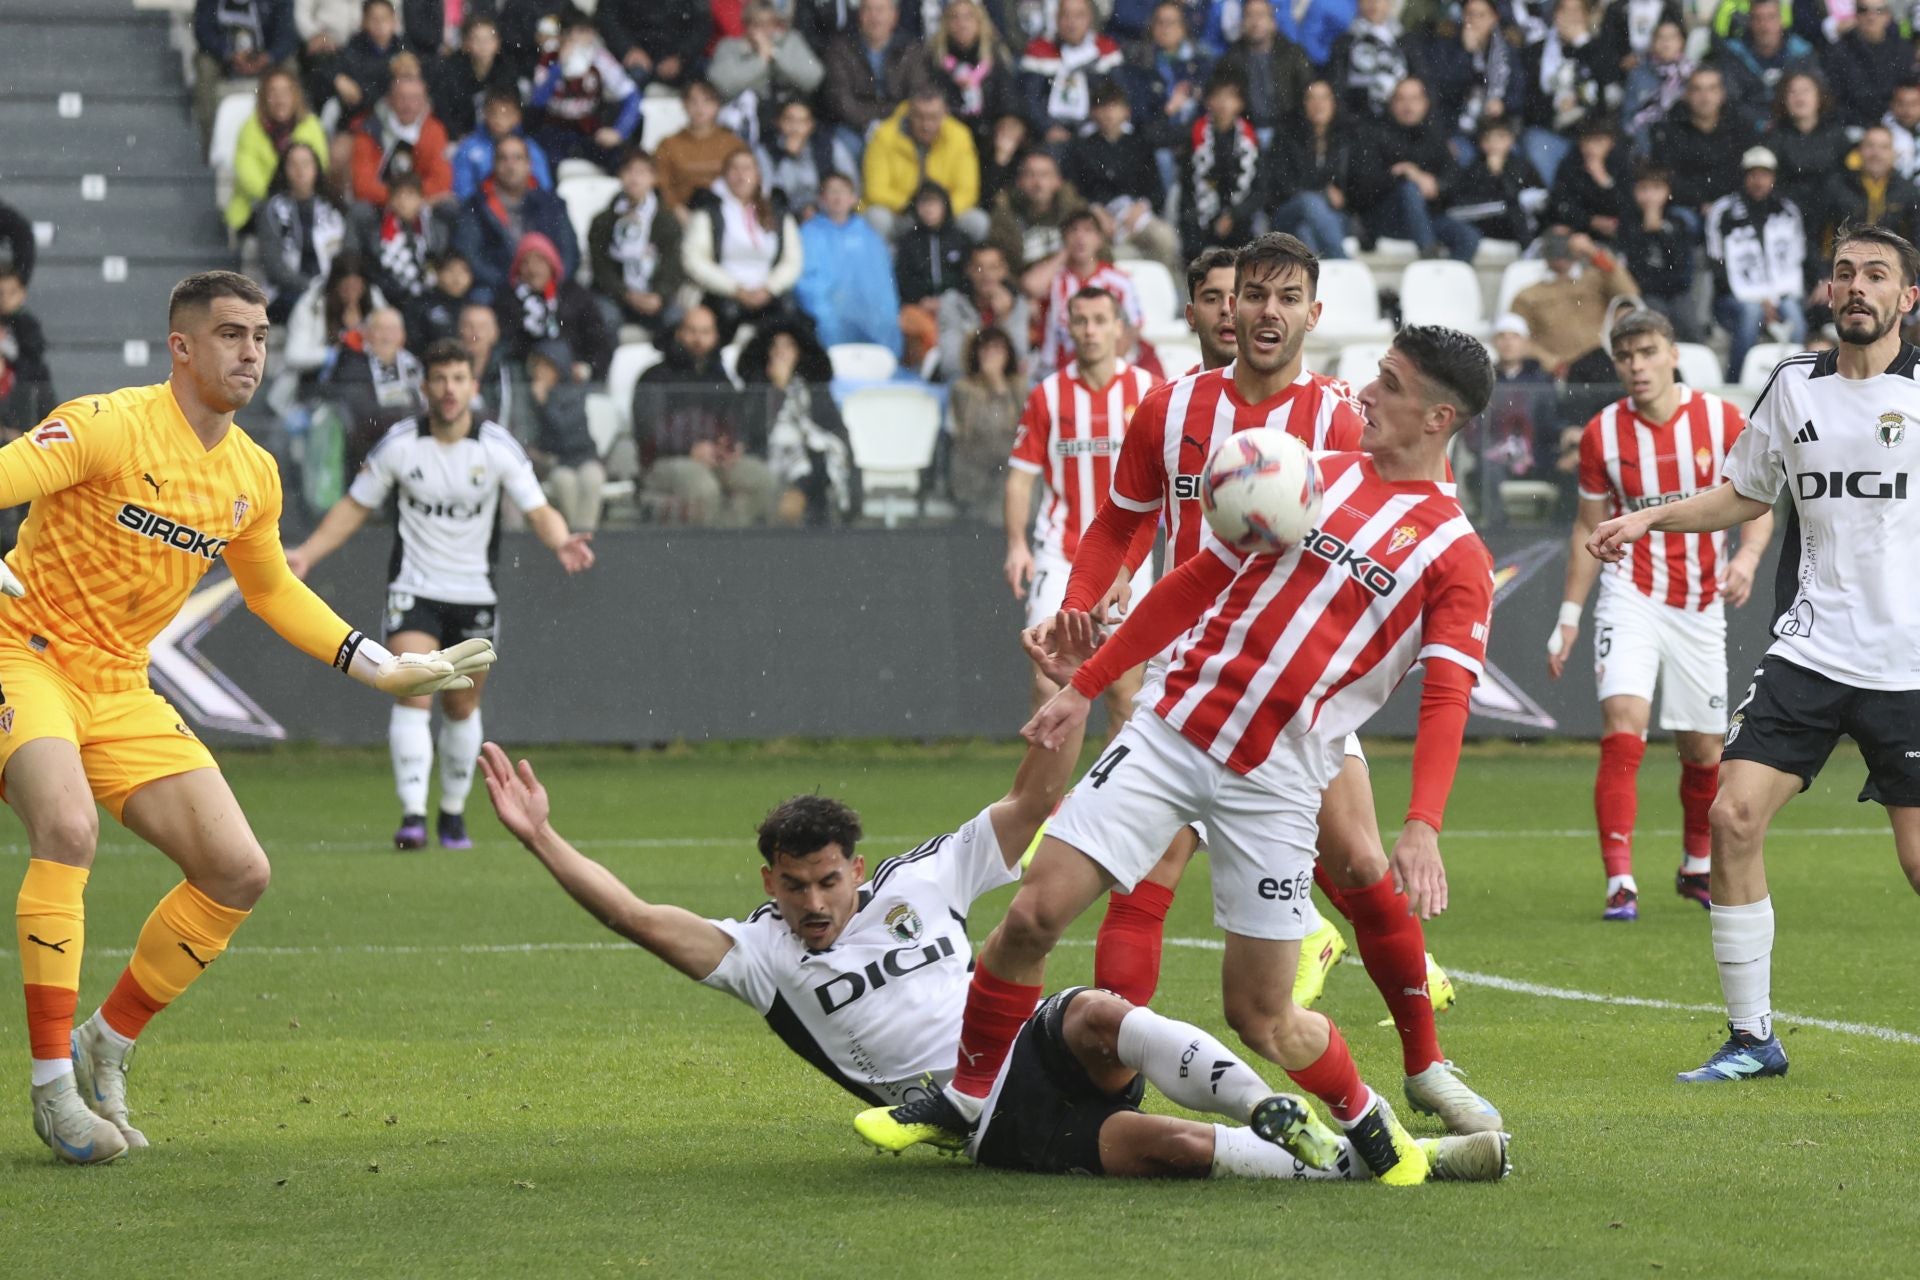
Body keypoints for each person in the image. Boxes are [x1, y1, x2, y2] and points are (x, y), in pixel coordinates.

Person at [864, 318, 1503, 1178]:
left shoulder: (1457, 556)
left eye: (1388, 384)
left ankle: (1371, 1120)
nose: (1364, 394)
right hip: (1171, 731)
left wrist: (1422, 822)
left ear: (1438, 419)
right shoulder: (1306, 480)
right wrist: (1086, 686)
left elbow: (1449, 694)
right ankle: (968, 1099)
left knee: (1264, 1017)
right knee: (1031, 916)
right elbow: (1198, 578)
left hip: (1279, 783)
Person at [478, 663, 1510, 1183]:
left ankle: (1274, 1104)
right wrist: (541, 839)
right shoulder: (759, 955)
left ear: (852, 866)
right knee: (1159, 1147)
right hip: (991, 1124)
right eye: (795, 887)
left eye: (828, 881)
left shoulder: (917, 880)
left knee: (1099, 1009)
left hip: (1021, 1041)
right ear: (771, 882)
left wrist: (1062, 690)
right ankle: (1347, 1158)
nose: (816, 903)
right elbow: (634, 915)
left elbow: (1027, 806)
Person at [6, 271, 492, 1164]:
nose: (252, 353)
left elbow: (270, 590)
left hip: (119, 683)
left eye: (261, 336)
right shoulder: (109, 423)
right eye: (230, 335)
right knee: (67, 828)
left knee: (236, 871)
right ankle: (51, 1091)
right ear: (180, 348)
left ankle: (105, 1043)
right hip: (23, 655)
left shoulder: (251, 474)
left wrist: (382, 667)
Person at [1021, 236, 1492, 1133]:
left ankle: (1426, 1062)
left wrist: (1423, 821)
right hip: (1190, 669)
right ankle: (1118, 1079)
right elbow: (1120, 525)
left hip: (1307, 689)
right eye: (1252, 295)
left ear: (1315, 314)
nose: (1267, 312)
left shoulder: (1348, 427)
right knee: (1148, 871)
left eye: (1289, 298)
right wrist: (1082, 619)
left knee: (1356, 862)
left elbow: (1417, 517)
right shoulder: (1172, 409)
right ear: (1222, 307)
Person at [1586, 223, 1920, 1083]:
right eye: (1844, 272)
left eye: (1876, 275)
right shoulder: (1792, 386)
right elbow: (1744, 492)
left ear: (1906, 300)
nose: (1856, 287)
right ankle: (1752, 1039)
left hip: (1910, 668)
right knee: (1732, 819)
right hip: (1810, 650)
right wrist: (1652, 515)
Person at [287, 338, 592, 852]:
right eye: (440, 380)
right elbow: (354, 507)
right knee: (412, 691)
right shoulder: (401, 444)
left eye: (458, 379)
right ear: (424, 386)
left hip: (474, 591)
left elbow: (539, 509)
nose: (449, 390)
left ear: (473, 387)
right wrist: (307, 555)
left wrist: (561, 540)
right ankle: (411, 816)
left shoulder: (496, 446)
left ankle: (451, 815)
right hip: (415, 588)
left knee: (461, 704)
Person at [1550, 309, 1773, 920]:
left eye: (1647, 352)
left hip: (1701, 602)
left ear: (1673, 353)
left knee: (1703, 750)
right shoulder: (1602, 432)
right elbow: (1588, 526)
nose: (1636, 366)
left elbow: (1758, 504)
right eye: (1625, 357)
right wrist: (1569, 613)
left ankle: (1695, 866)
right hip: (1630, 592)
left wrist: (1748, 560)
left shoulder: (1721, 420)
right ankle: (1619, 881)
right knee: (1625, 722)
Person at [1006, 286, 1160, 722]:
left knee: (1125, 692)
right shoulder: (1048, 396)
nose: (1090, 330)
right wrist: (1017, 544)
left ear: (1119, 327)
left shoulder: (1150, 391)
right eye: (1081, 321)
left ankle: (1112, 794)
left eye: (1099, 320)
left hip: (1130, 560)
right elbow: (1020, 479)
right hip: (1061, 556)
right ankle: (1047, 795)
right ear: (1068, 327)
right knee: (1047, 681)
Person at [633, 306, 781, 526]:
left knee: (763, 481)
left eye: (705, 332)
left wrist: (732, 444)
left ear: (715, 336)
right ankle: (705, 552)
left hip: (715, 460)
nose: (698, 339)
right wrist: (689, 449)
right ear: (679, 333)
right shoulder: (655, 376)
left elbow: (736, 420)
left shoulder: (719, 378)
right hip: (665, 461)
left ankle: (733, 546)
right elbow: (648, 431)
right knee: (703, 488)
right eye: (692, 331)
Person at [738, 324, 857, 525]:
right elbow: (755, 431)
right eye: (775, 346)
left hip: (812, 465)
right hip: (766, 460)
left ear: (799, 352)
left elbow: (834, 431)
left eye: (788, 346)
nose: (780, 352)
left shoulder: (814, 389)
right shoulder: (756, 389)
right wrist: (778, 388)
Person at [1707, 147, 1807, 383]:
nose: (1758, 181)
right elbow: (1717, 264)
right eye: (1753, 174)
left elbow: (1795, 261)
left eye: (1765, 174)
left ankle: (1797, 382)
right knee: (1751, 314)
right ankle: (1736, 382)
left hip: (1781, 293)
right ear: (1743, 177)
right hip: (1734, 295)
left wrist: (1771, 297)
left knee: (1796, 318)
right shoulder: (1723, 212)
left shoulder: (1787, 211)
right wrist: (1758, 298)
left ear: (1773, 177)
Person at [682, 149, 804, 342]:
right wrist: (735, 289)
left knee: (789, 319)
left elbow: (793, 260)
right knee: (725, 316)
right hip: (722, 292)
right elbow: (694, 259)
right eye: (734, 169)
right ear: (724, 175)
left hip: (768, 293)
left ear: (758, 175)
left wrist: (769, 288)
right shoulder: (709, 212)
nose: (741, 175)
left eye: (747, 168)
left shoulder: (778, 213)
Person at [1360, 77, 1480, 262]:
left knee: (1468, 236)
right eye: (1401, 99)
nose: (1408, 106)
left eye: (1414, 99)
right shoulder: (1375, 134)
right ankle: (1430, 258)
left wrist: (1437, 186)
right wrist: (1404, 177)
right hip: (1387, 221)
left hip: (1429, 218)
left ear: (1425, 103)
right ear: (1392, 104)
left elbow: (1455, 181)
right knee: (1409, 190)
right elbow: (1363, 188)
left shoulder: (1436, 136)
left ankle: (1446, 283)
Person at [1067, 81, 1182, 274]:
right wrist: (1096, 212)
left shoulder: (1138, 143)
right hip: (1097, 219)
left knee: (1165, 238)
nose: (1109, 113)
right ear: (1093, 112)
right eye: (1102, 107)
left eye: (1115, 107)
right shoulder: (1081, 147)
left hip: (1134, 215)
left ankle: (1168, 292)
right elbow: (1077, 190)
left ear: (1126, 111)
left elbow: (1155, 189)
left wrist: (1141, 207)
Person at [451, 134, 579, 306]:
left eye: (517, 158)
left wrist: (548, 279)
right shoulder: (476, 206)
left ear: (529, 164)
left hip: (550, 285)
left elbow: (569, 251)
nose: (510, 165)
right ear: (494, 165)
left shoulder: (552, 204)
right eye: (503, 158)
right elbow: (470, 255)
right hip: (498, 288)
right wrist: (510, 283)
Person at [795, 174, 903, 353]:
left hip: (871, 324)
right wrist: (825, 313)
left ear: (853, 198)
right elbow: (808, 282)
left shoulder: (869, 235)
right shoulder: (809, 233)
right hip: (827, 325)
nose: (838, 197)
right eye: (832, 192)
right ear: (822, 198)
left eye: (843, 192)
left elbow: (883, 283)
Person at [862, 87, 986, 241]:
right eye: (920, 117)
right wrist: (916, 208)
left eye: (933, 117)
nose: (926, 125)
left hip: (945, 214)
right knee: (877, 218)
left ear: (945, 113)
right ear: (909, 113)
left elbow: (967, 191)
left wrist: (940, 210)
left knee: (977, 222)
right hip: (901, 213)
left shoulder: (960, 136)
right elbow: (875, 191)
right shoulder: (884, 136)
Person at [1511, 228, 1640, 376]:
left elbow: (1629, 293)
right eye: (1554, 246)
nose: (1560, 252)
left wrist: (1594, 253)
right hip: (1560, 370)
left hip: (1601, 362)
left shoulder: (1595, 278)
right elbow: (1518, 337)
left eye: (1565, 245)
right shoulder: (1528, 295)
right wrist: (1552, 363)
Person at [588, 150, 685, 342]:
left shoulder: (666, 221)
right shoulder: (603, 221)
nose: (635, 178)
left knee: (676, 318)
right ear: (620, 176)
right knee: (606, 317)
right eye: (629, 171)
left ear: (654, 178)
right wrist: (626, 294)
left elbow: (672, 266)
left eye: (642, 172)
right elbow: (601, 268)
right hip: (615, 296)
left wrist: (659, 295)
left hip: (653, 295)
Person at [528, 12, 644, 170]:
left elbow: (632, 96)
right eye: (576, 33)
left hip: (588, 129)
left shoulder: (599, 58)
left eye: (587, 33)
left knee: (619, 159)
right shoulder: (549, 58)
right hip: (554, 129)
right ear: (563, 35)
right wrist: (559, 67)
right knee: (540, 161)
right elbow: (538, 101)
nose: (581, 40)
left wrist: (619, 131)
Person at [494, 232, 615, 379]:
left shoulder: (574, 295)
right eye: (525, 262)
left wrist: (588, 368)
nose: (532, 269)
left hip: (573, 377)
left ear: (551, 263)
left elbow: (598, 340)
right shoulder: (509, 300)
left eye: (539, 261)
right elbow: (510, 344)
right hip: (527, 374)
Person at [254, 142, 349, 325]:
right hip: (287, 292)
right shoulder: (271, 210)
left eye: (306, 164)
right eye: (293, 164)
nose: (300, 171)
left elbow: (345, 255)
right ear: (284, 170)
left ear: (316, 169)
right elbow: (274, 266)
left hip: (331, 289)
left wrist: (329, 287)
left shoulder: (334, 208)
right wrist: (310, 287)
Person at [226, 68, 331, 232]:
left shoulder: (312, 126)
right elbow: (247, 175)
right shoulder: (250, 129)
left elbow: (319, 167)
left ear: (295, 96)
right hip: (257, 207)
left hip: (303, 203)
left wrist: (296, 197)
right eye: (273, 93)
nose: (280, 100)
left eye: (285, 93)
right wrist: (280, 201)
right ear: (263, 98)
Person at [1038, 210, 1144, 372]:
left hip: (1109, 368)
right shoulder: (1055, 279)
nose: (1080, 237)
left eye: (1088, 230)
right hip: (1056, 369)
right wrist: (1064, 253)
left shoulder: (1120, 281)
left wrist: (1103, 369)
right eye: (1073, 231)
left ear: (1100, 239)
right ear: (1064, 238)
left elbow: (1132, 328)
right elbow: (1031, 287)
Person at [520, 340, 608, 533]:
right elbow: (528, 436)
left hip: (583, 457)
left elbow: (567, 431)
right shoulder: (528, 396)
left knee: (593, 479)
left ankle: (584, 536)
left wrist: (545, 405)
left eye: (547, 366)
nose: (540, 372)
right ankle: (576, 536)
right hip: (556, 463)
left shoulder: (574, 392)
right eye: (538, 366)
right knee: (565, 483)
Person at [1516, 0, 1605, 187]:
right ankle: (1559, 202)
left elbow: (1606, 91)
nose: (1569, 16)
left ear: (1586, 16)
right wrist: (1556, 105)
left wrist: (1581, 43)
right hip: (1551, 132)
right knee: (1536, 142)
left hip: (1589, 133)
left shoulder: (1599, 48)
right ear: (1554, 14)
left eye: (1576, 11)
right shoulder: (1536, 51)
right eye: (1564, 10)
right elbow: (1527, 103)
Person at [1650, 68, 1752, 230]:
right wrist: (1700, 204)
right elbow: (1668, 176)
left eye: (1712, 89)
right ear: (1686, 95)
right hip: (1688, 208)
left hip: (1733, 203)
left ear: (1722, 94)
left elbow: (1747, 170)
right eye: (1697, 89)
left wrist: (1722, 205)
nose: (1705, 97)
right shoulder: (1669, 130)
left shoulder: (1740, 126)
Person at [1268, 79, 1357, 260]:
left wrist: (1344, 197)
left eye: (1324, 98)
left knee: (1305, 230)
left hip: (1334, 216)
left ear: (1333, 103)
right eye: (1312, 98)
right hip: (1289, 211)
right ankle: (1344, 263)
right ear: (1303, 104)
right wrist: (1323, 192)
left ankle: (1317, 282)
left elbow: (1358, 185)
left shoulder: (1346, 139)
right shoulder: (1287, 137)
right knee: (1309, 201)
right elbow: (1282, 185)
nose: (1319, 105)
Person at [1179, 71, 1264, 261]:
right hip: (1201, 217)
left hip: (1239, 218)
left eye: (1231, 97)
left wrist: (1233, 215)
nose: (1224, 103)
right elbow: (1187, 186)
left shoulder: (1251, 140)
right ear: (1209, 101)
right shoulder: (1193, 136)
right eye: (1219, 96)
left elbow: (1260, 190)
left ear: (1241, 103)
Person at [821, 0, 933, 143]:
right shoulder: (840, 48)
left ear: (894, 16)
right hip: (853, 128)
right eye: (868, 10)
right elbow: (841, 101)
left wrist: (888, 122)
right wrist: (872, 122)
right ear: (859, 15)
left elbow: (917, 94)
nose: (874, 17)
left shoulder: (912, 50)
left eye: (880, 10)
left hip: (901, 125)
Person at [1020, 0, 1125, 147]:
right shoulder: (1039, 50)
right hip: (1050, 135)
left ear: (1090, 18)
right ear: (1056, 18)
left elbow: (1119, 96)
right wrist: (1047, 128)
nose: (1072, 22)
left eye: (1079, 15)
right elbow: (1029, 99)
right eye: (1065, 15)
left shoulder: (1106, 50)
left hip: (1096, 132)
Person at [987, 150, 1090, 300]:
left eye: (1044, 175)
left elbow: (1100, 254)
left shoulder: (1076, 211)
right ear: (1019, 181)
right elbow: (1002, 267)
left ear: (1058, 181)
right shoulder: (1005, 215)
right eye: (1030, 175)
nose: (1038, 183)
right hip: (1024, 295)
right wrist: (1020, 296)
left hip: (1075, 290)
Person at [192, 0, 298, 144]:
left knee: (289, 65)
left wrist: (267, 57)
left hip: (265, 56)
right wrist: (229, 54)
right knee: (204, 64)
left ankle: (293, 138)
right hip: (223, 57)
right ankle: (211, 141)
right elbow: (203, 31)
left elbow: (287, 36)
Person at [362, 173, 451, 338]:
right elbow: (375, 270)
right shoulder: (376, 234)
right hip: (394, 301)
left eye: (410, 195)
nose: (403, 202)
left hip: (431, 298)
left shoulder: (436, 230)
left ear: (420, 198)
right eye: (398, 196)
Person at [949, 327, 1025, 520]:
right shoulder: (963, 390)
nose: (992, 355)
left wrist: (999, 386)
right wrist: (991, 384)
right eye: (986, 349)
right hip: (975, 469)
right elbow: (971, 428)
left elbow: (1018, 428)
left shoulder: (1020, 389)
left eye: (998, 349)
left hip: (1009, 468)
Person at [349, 72, 454, 209]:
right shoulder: (369, 130)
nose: (408, 105)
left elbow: (441, 181)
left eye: (414, 98)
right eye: (402, 98)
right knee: (360, 210)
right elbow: (362, 185)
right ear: (390, 99)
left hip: (421, 204)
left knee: (449, 207)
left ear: (424, 101)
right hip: (380, 204)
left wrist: (412, 200)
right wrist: (400, 200)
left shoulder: (434, 131)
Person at [1615, 167, 1697, 341]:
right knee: (1657, 326)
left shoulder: (1678, 221)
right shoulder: (1627, 223)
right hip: (1645, 291)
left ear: (1667, 192)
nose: (1650, 196)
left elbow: (1682, 264)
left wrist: (1660, 232)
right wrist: (1644, 233)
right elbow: (1632, 264)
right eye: (1643, 189)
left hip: (1676, 290)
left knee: (1691, 326)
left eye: (1656, 188)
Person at [1710, 0, 1818, 129]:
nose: (1765, 26)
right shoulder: (1734, 53)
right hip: (1747, 132)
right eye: (1758, 18)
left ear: (1782, 20)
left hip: (1795, 131)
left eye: (1771, 17)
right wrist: (1760, 124)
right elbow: (1731, 101)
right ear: (1749, 22)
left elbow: (1816, 95)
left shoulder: (1802, 52)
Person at [895, 184, 971, 366]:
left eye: (934, 203)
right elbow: (902, 279)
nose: (929, 209)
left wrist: (946, 301)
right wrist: (921, 299)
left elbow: (968, 278)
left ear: (945, 206)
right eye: (923, 204)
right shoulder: (908, 242)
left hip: (954, 304)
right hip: (919, 307)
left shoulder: (960, 239)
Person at [929, 0, 1024, 146]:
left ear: (980, 22)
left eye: (968, 17)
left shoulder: (995, 59)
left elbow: (1009, 103)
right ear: (945, 24)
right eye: (955, 17)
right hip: (948, 137)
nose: (962, 24)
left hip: (989, 135)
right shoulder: (935, 61)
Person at [709, 2, 826, 119]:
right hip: (744, 116)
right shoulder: (729, 46)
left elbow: (814, 77)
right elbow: (722, 85)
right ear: (746, 25)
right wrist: (761, 60)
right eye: (758, 24)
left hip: (785, 114)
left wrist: (775, 55)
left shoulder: (790, 41)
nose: (765, 30)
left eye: (769, 24)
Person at [1216, 0, 1312, 142]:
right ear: (1242, 23)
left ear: (1273, 23)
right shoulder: (1230, 59)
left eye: (1261, 15)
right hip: (1246, 133)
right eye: (1249, 15)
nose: (1255, 22)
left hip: (1288, 131)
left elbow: (1307, 91)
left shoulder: (1293, 55)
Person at [938, 242, 1032, 381]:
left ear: (1004, 270)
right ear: (969, 270)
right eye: (979, 268)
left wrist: (1004, 318)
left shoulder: (1017, 304)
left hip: (1004, 383)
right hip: (965, 382)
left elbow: (1020, 359)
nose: (987, 275)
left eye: (993, 268)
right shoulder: (952, 302)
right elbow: (950, 363)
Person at [1448, 115, 1545, 247]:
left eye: (1500, 137)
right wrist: (1493, 175)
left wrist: (1501, 176)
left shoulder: (1523, 166)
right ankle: (1528, 247)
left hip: (1517, 221)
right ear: (1481, 143)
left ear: (1511, 139)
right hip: (1487, 221)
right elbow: (1470, 200)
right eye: (1488, 139)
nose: (1494, 144)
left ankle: (1531, 246)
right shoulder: (1474, 168)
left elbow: (1537, 194)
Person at [758, 99, 860, 221]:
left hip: (825, 211)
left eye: (801, 121)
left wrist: (819, 206)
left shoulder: (828, 146)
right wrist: (786, 156)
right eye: (789, 120)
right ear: (779, 122)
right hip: (784, 215)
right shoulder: (766, 150)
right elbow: (766, 192)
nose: (795, 127)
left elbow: (851, 184)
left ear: (811, 125)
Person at [654, 81, 749, 212]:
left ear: (718, 106)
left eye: (707, 101)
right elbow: (662, 185)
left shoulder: (733, 144)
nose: (700, 108)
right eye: (693, 102)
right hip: (681, 215)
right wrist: (679, 212)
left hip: (727, 212)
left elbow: (747, 181)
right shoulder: (668, 145)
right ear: (684, 105)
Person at [1821, 126, 1920, 250]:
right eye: (1870, 146)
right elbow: (1820, 236)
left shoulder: (1908, 192)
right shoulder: (1838, 187)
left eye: (1883, 147)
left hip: (1892, 265)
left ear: (1893, 154)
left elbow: (1916, 240)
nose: (1876, 153)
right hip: (1844, 264)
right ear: (1859, 151)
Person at [428, 13, 521, 141]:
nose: (483, 45)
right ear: (466, 44)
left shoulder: (507, 69)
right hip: (459, 136)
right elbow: (443, 109)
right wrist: (458, 135)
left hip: (499, 136)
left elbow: (513, 108)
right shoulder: (450, 69)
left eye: (489, 39)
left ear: (497, 43)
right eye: (477, 39)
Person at [451, 90, 556, 203]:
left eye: (506, 114)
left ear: (518, 116)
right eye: (493, 112)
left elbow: (545, 188)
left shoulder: (531, 149)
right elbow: (462, 190)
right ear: (485, 113)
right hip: (482, 211)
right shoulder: (468, 147)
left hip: (524, 211)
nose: (499, 119)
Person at [1546, 118, 1631, 246]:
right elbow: (1561, 203)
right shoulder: (1570, 165)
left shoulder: (1622, 165)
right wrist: (1590, 221)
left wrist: (1605, 181)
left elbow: (1628, 205)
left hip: (1615, 234)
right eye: (1587, 141)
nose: (1591, 148)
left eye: (1598, 141)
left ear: (1611, 142)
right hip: (1579, 232)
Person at [1824, 0, 1907, 131]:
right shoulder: (1838, 51)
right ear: (1856, 15)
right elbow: (1834, 99)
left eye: (1879, 10)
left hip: (1896, 125)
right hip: (1852, 127)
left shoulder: (1902, 50)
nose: (1871, 16)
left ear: (1888, 16)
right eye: (1864, 10)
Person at [594, 0, 710, 92]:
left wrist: (680, 56)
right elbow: (606, 16)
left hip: (679, 59)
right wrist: (628, 49)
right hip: (633, 57)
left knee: (704, 84)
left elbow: (702, 24)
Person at [1328, 0, 1411, 122]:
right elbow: (1337, 85)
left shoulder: (1406, 41)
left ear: (1389, 4)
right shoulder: (1344, 43)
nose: (1374, 4)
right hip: (1356, 120)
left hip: (1399, 120)